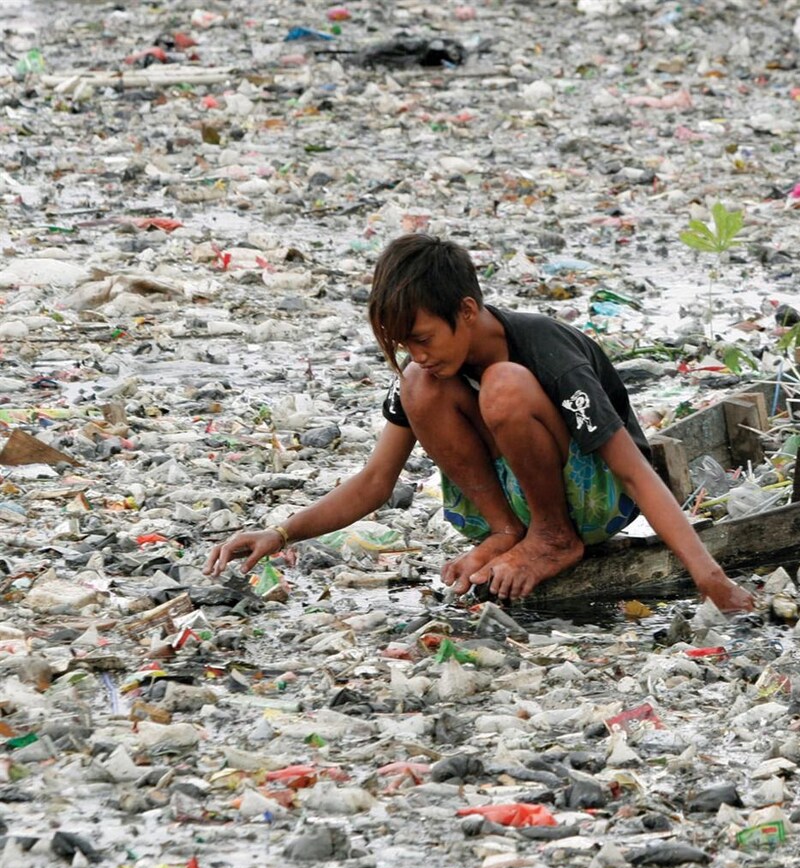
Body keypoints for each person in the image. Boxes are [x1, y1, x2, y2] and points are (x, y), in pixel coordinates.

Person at [204, 233, 755, 612]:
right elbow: (375, 481)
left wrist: (710, 578)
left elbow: (634, 471)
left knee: (504, 384)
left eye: (424, 339)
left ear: (467, 311)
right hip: (512, 505)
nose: (418, 354)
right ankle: (508, 532)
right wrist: (280, 533)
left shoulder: (546, 351)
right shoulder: (426, 370)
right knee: (416, 386)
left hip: (596, 500)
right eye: (406, 344)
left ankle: (552, 538)